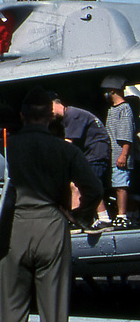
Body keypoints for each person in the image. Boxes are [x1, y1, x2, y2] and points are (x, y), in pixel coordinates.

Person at [0, 89, 101, 322]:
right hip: (52, 226)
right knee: (54, 313)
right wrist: (79, 217)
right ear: (49, 117)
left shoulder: (5, 150)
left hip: (14, 228)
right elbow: (93, 188)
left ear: (23, 116)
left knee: (10, 312)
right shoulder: (63, 150)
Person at [53, 94, 111, 227]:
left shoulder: (72, 115)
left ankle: (104, 219)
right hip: (89, 154)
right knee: (74, 185)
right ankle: (76, 219)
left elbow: (68, 144)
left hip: (96, 153)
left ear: (53, 104)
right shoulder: (68, 117)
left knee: (90, 185)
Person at [101, 76, 132, 228]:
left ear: (112, 90)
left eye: (106, 91)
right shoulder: (112, 109)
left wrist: (124, 154)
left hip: (120, 154)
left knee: (121, 185)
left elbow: (127, 135)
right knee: (116, 185)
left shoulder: (124, 109)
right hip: (113, 154)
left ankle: (122, 215)